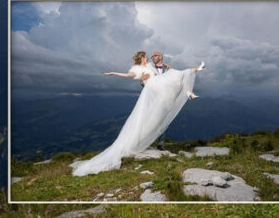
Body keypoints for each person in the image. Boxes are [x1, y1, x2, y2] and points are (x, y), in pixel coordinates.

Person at [72, 52, 205, 176]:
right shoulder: (136, 69)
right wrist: (114, 73)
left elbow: (160, 69)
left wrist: (167, 67)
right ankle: (192, 80)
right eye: (146, 56)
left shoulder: (150, 66)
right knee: (175, 76)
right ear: (141, 58)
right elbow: (129, 75)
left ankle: (189, 86)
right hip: (152, 87)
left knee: (174, 75)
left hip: (158, 87)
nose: (148, 58)